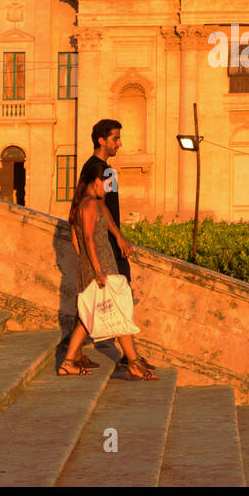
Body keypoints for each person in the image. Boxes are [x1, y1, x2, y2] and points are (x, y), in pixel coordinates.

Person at [58, 156, 157, 380]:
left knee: (89, 315)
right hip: (100, 265)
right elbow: (89, 239)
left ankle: (69, 362)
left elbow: (77, 242)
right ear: (95, 180)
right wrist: (98, 269)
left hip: (95, 263)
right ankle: (133, 361)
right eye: (106, 182)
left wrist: (115, 240)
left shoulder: (84, 203)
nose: (108, 187)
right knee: (117, 310)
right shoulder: (90, 204)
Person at [83, 118, 157, 374]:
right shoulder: (96, 169)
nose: (120, 143)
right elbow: (97, 204)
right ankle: (130, 357)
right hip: (107, 242)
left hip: (110, 240)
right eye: (116, 138)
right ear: (102, 140)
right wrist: (118, 235)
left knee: (117, 297)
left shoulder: (107, 170)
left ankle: (129, 356)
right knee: (116, 297)